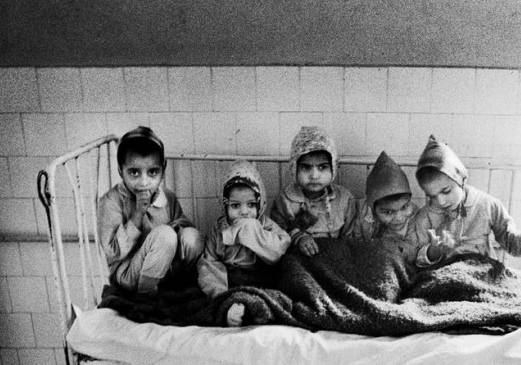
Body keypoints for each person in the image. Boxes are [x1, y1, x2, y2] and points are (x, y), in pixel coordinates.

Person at [413, 135, 521, 268]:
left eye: (446, 191)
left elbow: (512, 244)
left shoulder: (487, 205)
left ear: (461, 180)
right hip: (445, 276)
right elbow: (415, 260)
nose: (440, 201)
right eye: (431, 196)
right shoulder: (425, 217)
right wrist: (432, 252)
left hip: (483, 271)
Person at [96, 126, 203, 295]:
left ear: (163, 169)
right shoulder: (111, 201)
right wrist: (138, 214)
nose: (144, 182)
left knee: (192, 236)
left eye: (152, 172)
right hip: (129, 274)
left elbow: (182, 222)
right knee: (165, 235)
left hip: (164, 270)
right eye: (134, 173)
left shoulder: (166, 196)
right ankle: (146, 296)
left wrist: (177, 228)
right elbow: (113, 252)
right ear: (120, 171)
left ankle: (179, 284)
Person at [197, 161, 291, 326]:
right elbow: (209, 264)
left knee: (273, 298)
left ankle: (254, 309)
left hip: (261, 280)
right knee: (212, 297)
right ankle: (229, 307)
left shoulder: (265, 225)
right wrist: (219, 293)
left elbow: (280, 248)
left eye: (251, 204)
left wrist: (252, 230)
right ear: (225, 205)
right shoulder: (219, 230)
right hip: (230, 281)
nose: (244, 212)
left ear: (260, 204)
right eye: (235, 205)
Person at [270, 125, 358, 257]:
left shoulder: (345, 199)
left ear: (333, 167)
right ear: (294, 168)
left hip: (335, 258)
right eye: (305, 167)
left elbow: (349, 238)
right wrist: (299, 237)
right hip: (299, 258)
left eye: (322, 167)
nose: (314, 176)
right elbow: (276, 233)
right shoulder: (284, 199)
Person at [348, 150, 422, 263]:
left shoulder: (414, 215)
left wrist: (393, 246)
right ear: (372, 207)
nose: (399, 218)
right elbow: (354, 245)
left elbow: (412, 251)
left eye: (404, 207)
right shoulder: (360, 212)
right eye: (388, 212)